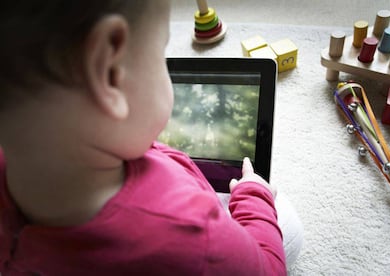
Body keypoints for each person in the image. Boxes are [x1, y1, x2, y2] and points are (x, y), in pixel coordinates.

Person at [0, 1, 303, 275]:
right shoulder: (193, 233)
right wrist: (253, 196)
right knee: (285, 219)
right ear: (108, 71)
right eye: (161, 52)